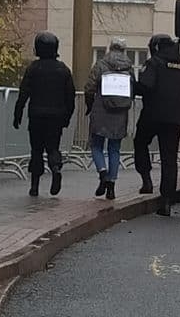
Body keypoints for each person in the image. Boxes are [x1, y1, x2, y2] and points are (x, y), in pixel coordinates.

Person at [12, 32, 76, 197]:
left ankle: (34, 186)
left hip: (36, 115)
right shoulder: (63, 70)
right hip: (56, 117)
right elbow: (70, 96)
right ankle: (55, 168)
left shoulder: (33, 68)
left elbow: (24, 92)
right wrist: (67, 117)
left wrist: (18, 113)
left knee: (36, 150)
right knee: (53, 147)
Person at [135, 35, 180, 216]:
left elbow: (145, 87)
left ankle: (146, 180)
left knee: (140, 142)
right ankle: (166, 201)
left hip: (152, 115)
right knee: (169, 159)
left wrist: (132, 86)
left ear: (156, 47)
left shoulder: (154, 63)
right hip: (175, 120)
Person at [85, 38, 135, 201]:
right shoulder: (129, 68)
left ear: (110, 48)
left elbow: (89, 87)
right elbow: (133, 89)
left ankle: (102, 172)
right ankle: (111, 185)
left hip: (101, 109)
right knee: (115, 149)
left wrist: (89, 104)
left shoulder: (101, 64)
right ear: (124, 50)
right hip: (120, 113)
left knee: (96, 145)